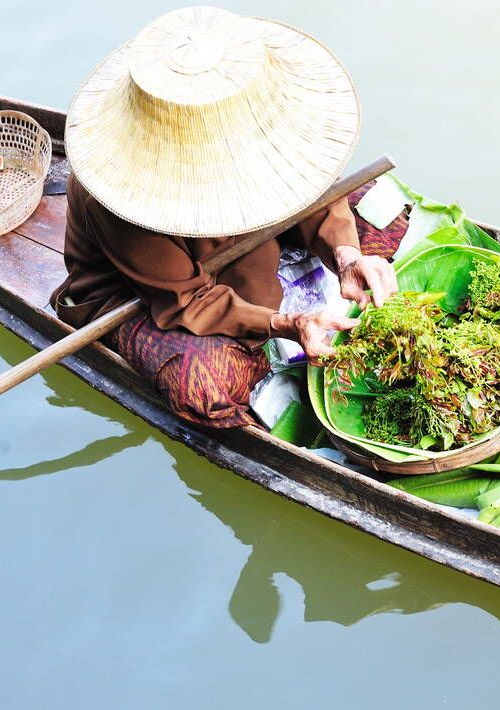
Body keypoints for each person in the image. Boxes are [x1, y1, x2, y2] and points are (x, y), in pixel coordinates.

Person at [50, 6, 398, 428]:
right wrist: (287, 323)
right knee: (204, 384)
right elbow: (188, 300)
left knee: (383, 217)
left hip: (254, 239)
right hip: (156, 294)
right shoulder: (119, 197)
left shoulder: (262, 121)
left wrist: (346, 257)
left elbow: (316, 191)